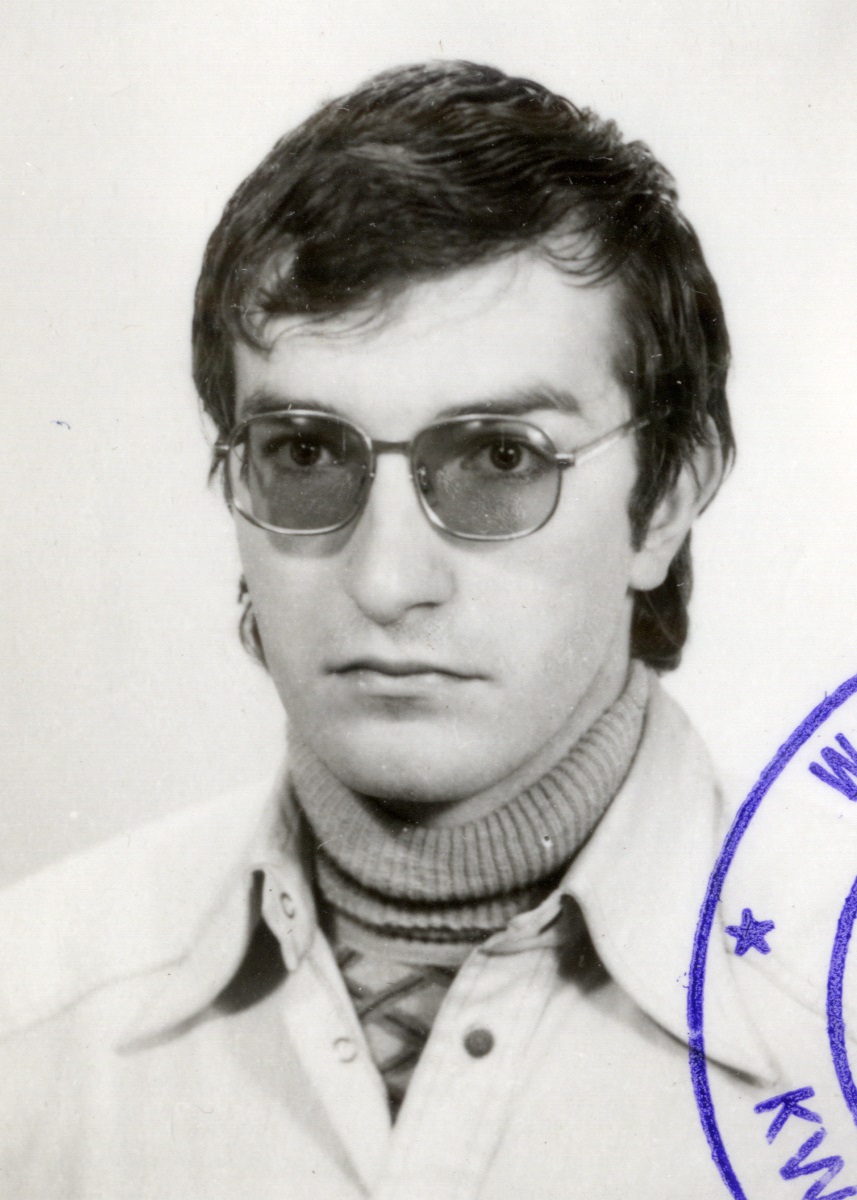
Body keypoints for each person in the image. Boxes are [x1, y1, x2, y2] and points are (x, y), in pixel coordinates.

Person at [0, 59, 837, 1199]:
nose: (387, 581)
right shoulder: (28, 1014)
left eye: (501, 456)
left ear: (665, 503)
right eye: (305, 453)